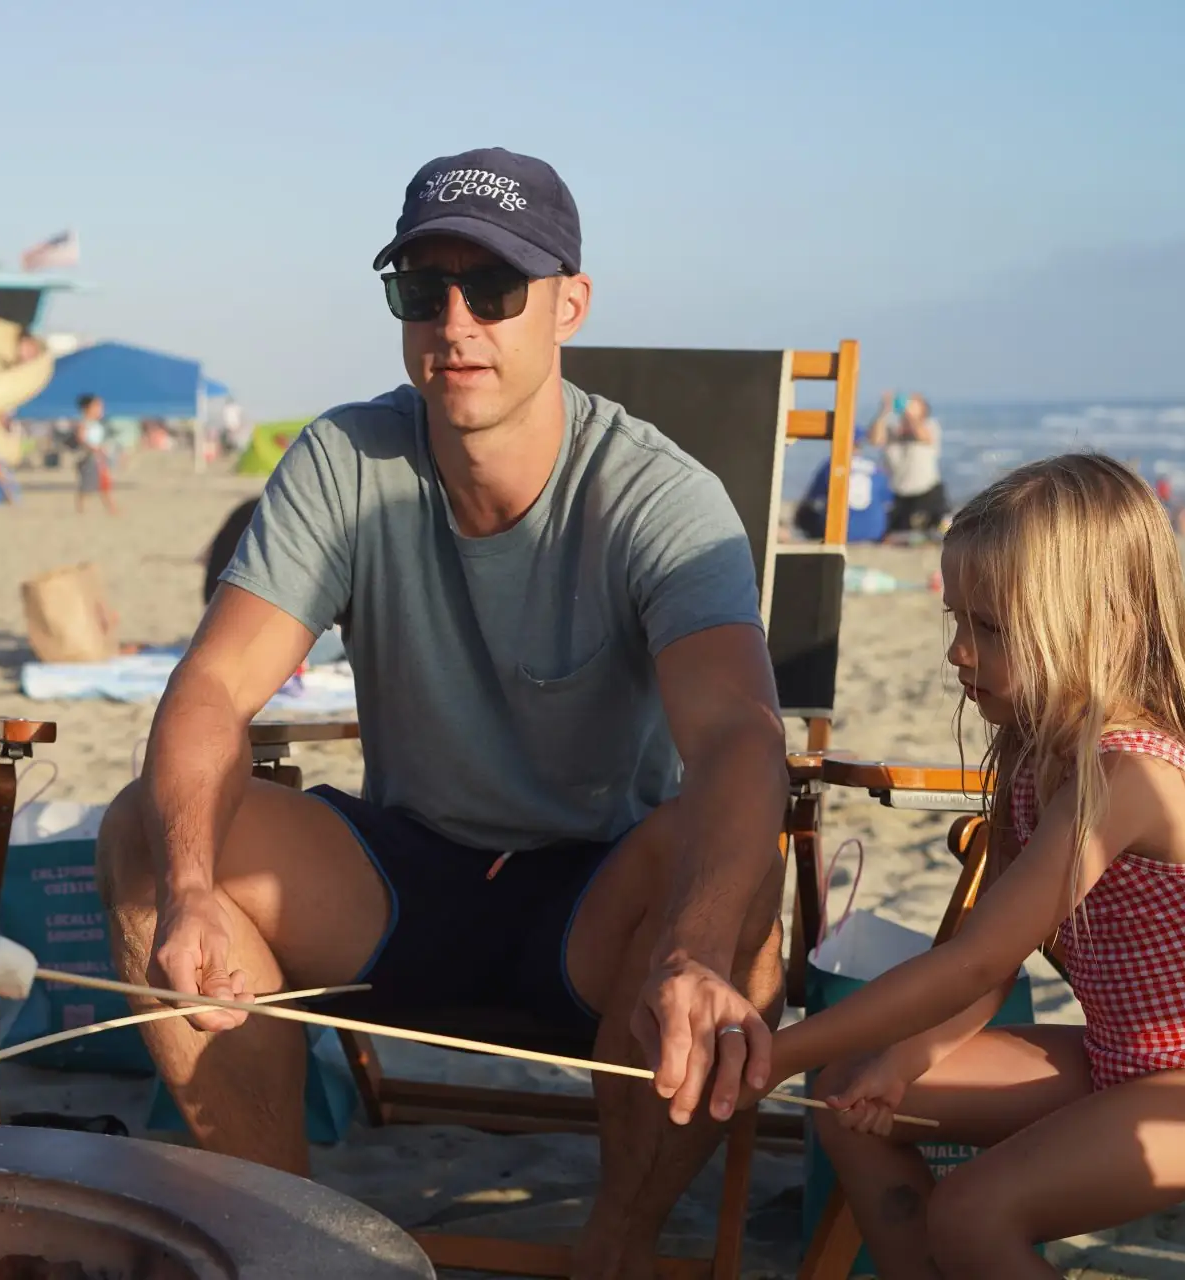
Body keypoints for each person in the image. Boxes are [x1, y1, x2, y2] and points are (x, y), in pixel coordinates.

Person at [96, 146, 790, 1279]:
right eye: (424, 290)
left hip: (595, 904)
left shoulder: (659, 494)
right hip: (400, 883)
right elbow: (214, 686)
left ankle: (615, 1242)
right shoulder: (346, 456)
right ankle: (289, 1234)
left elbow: (738, 739)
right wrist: (185, 889)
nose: (456, 321)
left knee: (741, 883)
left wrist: (701, 947)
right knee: (143, 827)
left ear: (570, 303)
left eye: (496, 288)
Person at [742, 453, 1185, 1279]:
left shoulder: (1126, 778)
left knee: (978, 1208)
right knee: (849, 1097)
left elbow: (971, 961)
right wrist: (903, 1060)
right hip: (1126, 1055)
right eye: (957, 622)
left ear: (1101, 626)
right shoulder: (1033, 761)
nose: (957, 656)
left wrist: (777, 1052)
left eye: (990, 629)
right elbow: (987, 966)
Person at [868, 391, 948, 540]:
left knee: (933, 533)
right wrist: (884, 412)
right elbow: (874, 439)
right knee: (895, 535)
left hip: (926, 491)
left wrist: (910, 414)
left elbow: (922, 435)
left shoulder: (930, 425)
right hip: (899, 494)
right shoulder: (892, 429)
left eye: (914, 403)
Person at [73, 393, 118, 515]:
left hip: (100, 457)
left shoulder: (99, 424)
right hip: (89, 457)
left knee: (105, 484)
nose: (100, 409)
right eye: (97, 406)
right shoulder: (84, 423)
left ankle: (112, 509)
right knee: (87, 486)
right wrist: (93, 448)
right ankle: (81, 509)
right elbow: (81, 439)